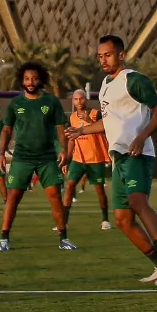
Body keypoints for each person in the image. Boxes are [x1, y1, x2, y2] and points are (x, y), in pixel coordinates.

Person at [68, 34, 157, 286]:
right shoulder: (106, 84)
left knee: (138, 202)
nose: (103, 60)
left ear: (121, 54)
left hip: (137, 154)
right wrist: (81, 131)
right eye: (100, 56)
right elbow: (108, 122)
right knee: (122, 220)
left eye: (107, 54)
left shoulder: (134, 79)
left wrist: (141, 137)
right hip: (118, 157)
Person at [0, 62, 71, 251]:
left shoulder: (51, 101)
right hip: (22, 156)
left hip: (47, 157)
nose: (31, 82)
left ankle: (64, 238)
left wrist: (64, 149)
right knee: (13, 197)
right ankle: (4, 238)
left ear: (41, 80)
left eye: (34, 78)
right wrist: (1, 153)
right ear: (22, 80)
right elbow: (6, 129)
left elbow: (61, 128)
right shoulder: (16, 103)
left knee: (55, 197)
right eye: (27, 79)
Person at [64, 89, 111, 231]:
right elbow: (71, 140)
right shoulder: (72, 117)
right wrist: (67, 158)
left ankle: (105, 219)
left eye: (81, 99)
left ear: (86, 99)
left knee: (99, 190)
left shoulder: (96, 114)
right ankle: (63, 222)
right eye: (76, 99)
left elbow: (105, 131)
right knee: (69, 186)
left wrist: (89, 121)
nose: (79, 102)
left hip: (95, 158)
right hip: (78, 159)